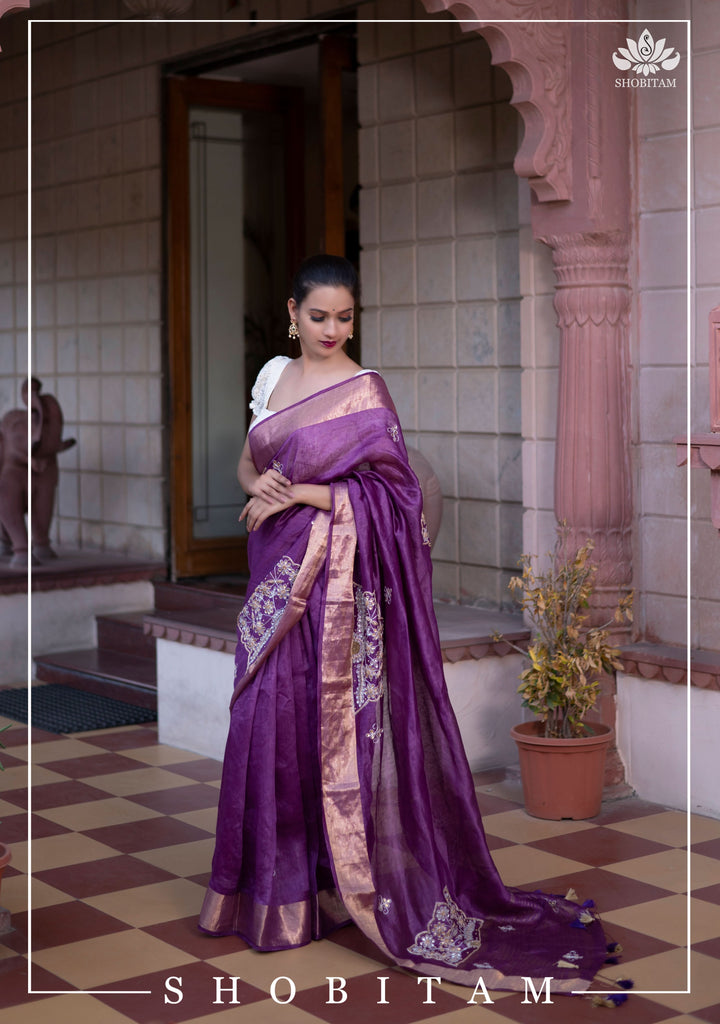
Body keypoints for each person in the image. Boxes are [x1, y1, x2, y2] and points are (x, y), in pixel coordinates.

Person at [199, 255, 610, 995]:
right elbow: (248, 458)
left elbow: (398, 501)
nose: (332, 329)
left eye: (345, 317)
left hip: (333, 589)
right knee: (265, 725)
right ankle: (280, 888)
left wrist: (309, 497)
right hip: (272, 578)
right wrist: (256, 483)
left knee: (322, 731)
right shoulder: (271, 379)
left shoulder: (366, 393)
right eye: (318, 316)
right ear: (291, 314)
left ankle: (338, 881)